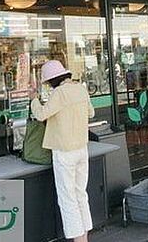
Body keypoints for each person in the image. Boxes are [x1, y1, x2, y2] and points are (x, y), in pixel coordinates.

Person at [29, 60, 95, 242]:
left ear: (52, 80)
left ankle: (78, 240)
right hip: (81, 148)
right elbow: (91, 113)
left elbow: (41, 114)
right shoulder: (80, 89)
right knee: (81, 194)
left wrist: (34, 99)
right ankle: (84, 237)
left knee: (67, 199)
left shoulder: (59, 93)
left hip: (64, 152)